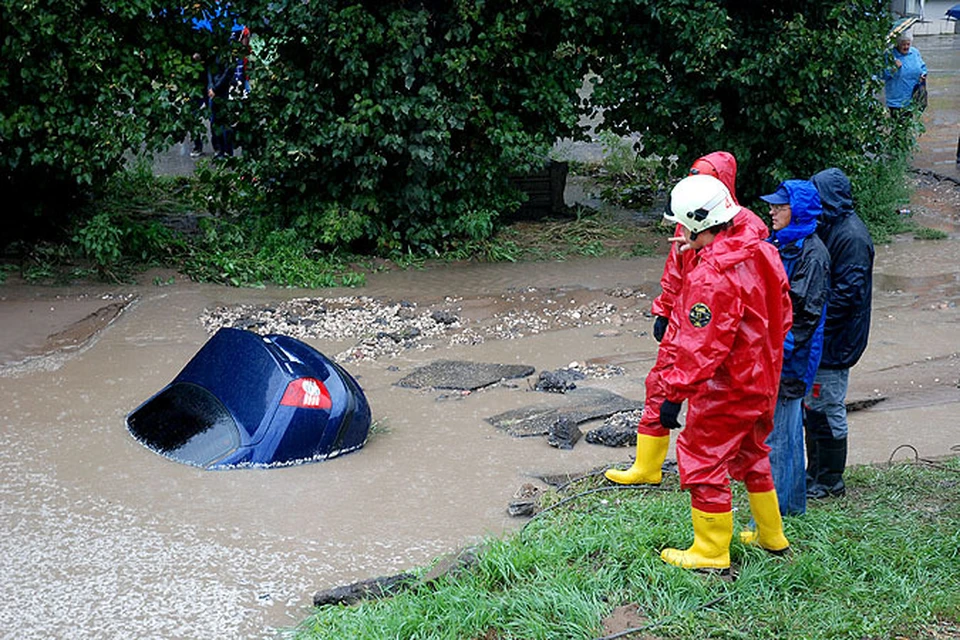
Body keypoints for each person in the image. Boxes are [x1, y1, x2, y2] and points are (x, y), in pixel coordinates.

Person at [649, 174, 793, 570]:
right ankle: (771, 535)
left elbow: (701, 347)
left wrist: (673, 393)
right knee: (752, 454)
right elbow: (782, 312)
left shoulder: (712, 276)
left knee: (701, 455)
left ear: (697, 225)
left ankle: (711, 551)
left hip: (728, 383)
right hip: (763, 374)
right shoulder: (759, 248)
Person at [604, 151, 769, 487]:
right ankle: (647, 466)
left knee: (713, 398)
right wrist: (663, 309)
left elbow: (747, 276)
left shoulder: (745, 226)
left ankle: (716, 471)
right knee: (659, 383)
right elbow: (674, 270)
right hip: (685, 315)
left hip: (718, 320)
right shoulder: (688, 215)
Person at [753, 180, 830, 518]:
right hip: (779, 352)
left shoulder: (812, 255)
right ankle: (791, 505)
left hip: (792, 358)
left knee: (782, 435)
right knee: (782, 431)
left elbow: (804, 317)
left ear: (797, 211)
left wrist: (775, 353)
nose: (770, 211)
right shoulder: (784, 244)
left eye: (779, 206)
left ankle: (782, 511)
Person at [804, 168, 874, 500]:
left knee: (827, 404)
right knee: (813, 405)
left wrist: (812, 322)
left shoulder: (853, 237)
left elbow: (848, 294)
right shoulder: (832, 227)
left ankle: (830, 480)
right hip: (824, 334)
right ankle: (815, 473)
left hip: (837, 338)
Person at [882, 31, 927, 119]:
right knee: (899, 127)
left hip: (913, 97)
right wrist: (893, 68)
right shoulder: (890, 55)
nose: (906, 47)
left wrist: (923, 74)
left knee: (908, 125)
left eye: (908, 44)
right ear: (898, 44)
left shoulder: (914, 52)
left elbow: (922, 66)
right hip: (896, 100)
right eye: (903, 44)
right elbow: (882, 75)